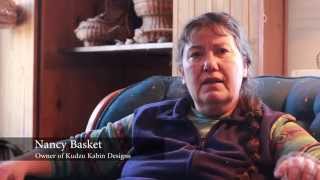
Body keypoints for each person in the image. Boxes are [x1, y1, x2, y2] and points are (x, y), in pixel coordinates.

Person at [1, 12, 320, 180]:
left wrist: (303, 164)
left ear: (245, 66)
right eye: (195, 55)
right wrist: (18, 165)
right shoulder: (147, 118)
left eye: (222, 51)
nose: (209, 63)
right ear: (182, 72)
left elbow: (311, 156)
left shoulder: (272, 127)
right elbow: (82, 151)